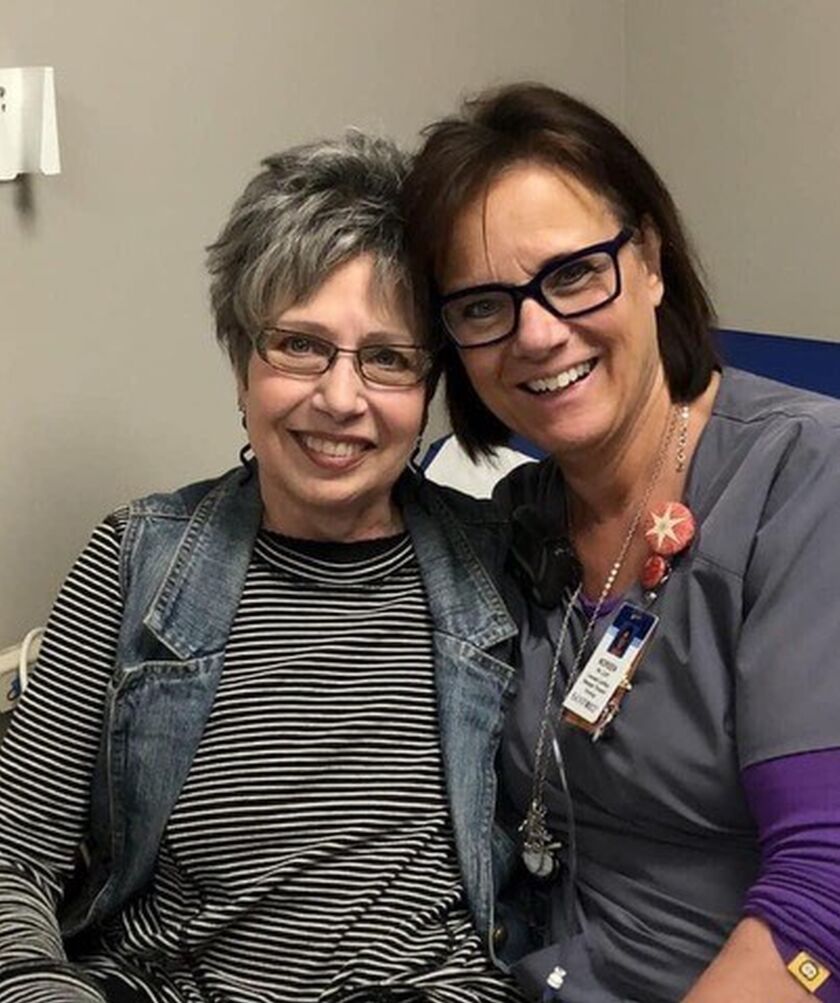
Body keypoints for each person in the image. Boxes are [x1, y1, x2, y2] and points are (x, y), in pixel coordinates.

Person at [0, 132, 525, 1003]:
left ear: (430, 388)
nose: (341, 398)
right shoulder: (137, 557)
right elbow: (12, 851)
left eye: (388, 358)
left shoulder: (503, 558)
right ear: (242, 361)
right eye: (300, 345)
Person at [403, 83, 840, 1002]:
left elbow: (822, 899)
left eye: (571, 274)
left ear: (649, 259)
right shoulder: (511, 520)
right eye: (483, 305)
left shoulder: (804, 483)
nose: (534, 333)